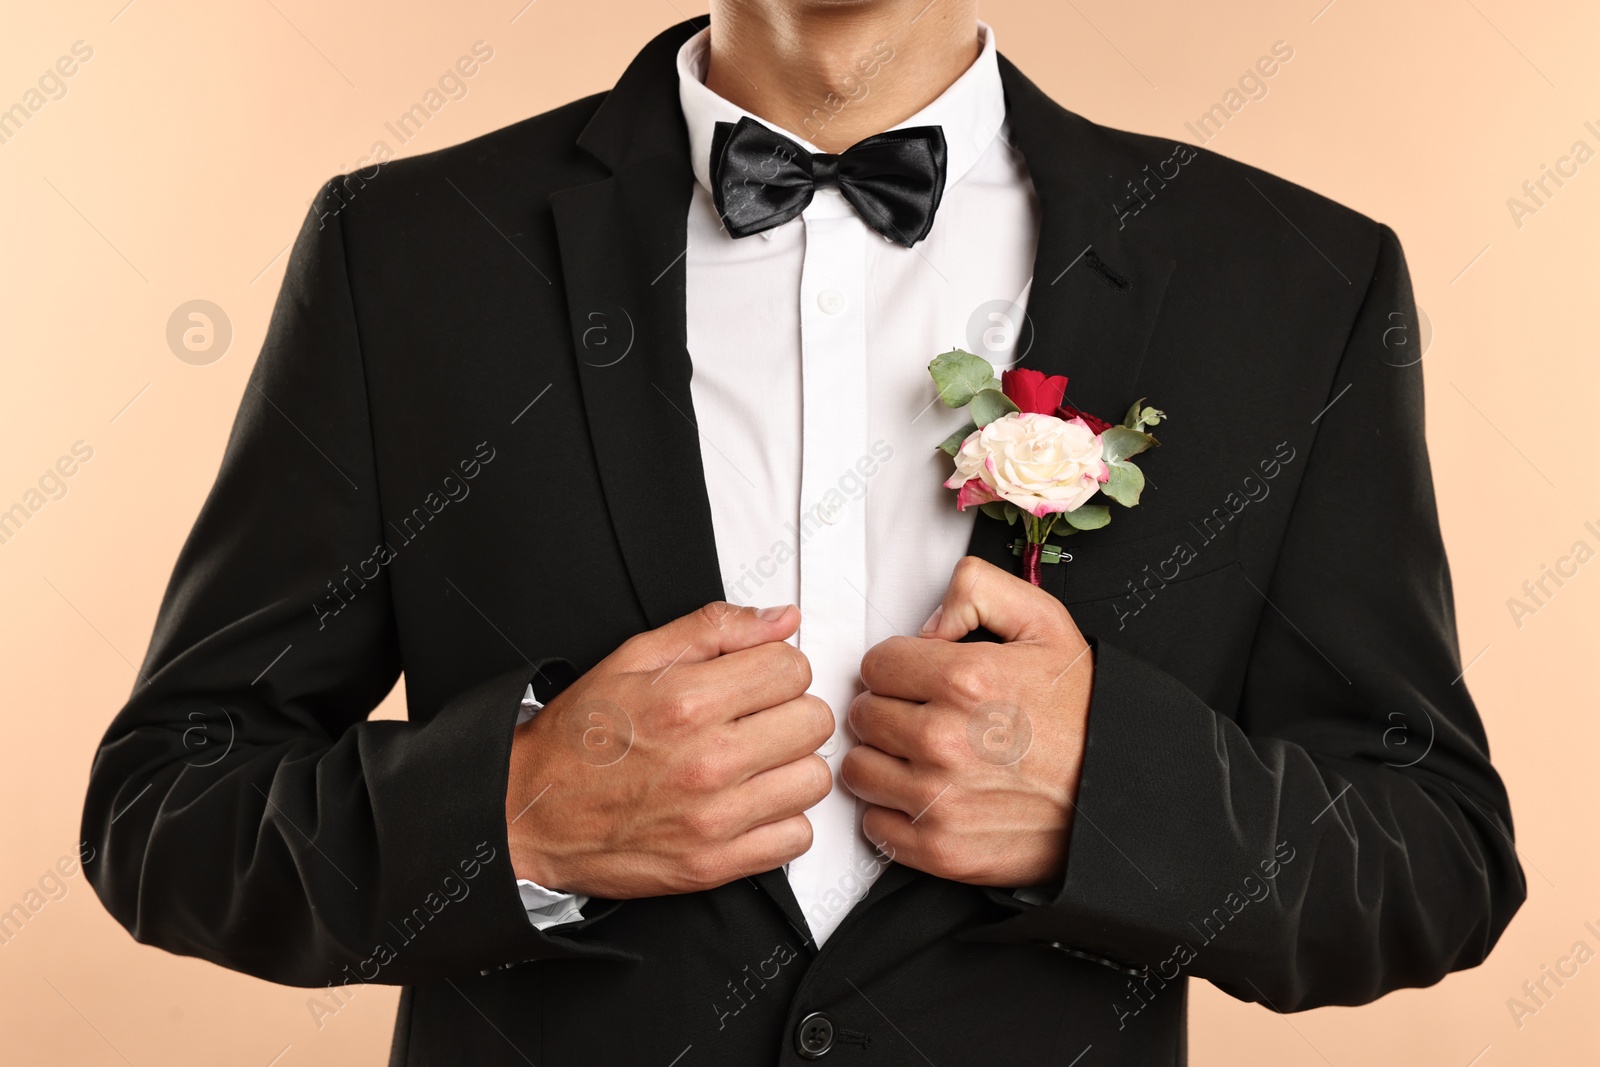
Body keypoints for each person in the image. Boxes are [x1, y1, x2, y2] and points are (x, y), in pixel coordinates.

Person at [81, 2, 1524, 1063]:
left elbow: (1434, 861)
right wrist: (510, 818)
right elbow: (166, 811)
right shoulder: (405, 251)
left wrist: (1117, 799)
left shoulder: (1292, 280)